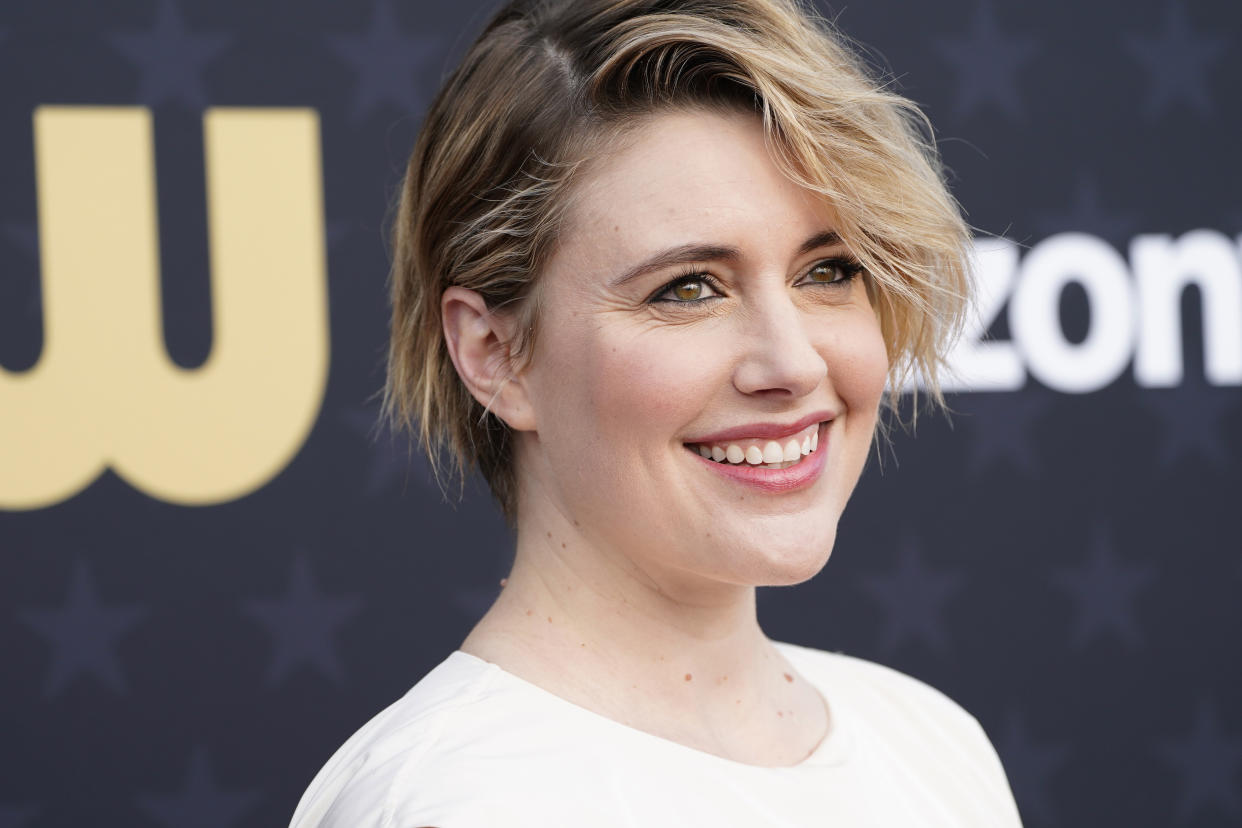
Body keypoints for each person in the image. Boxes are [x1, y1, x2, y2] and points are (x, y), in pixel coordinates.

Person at [292, 0, 1023, 824]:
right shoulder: (452, 801)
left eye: (828, 272)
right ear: (495, 354)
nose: (792, 363)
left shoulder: (930, 746)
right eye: (687, 290)